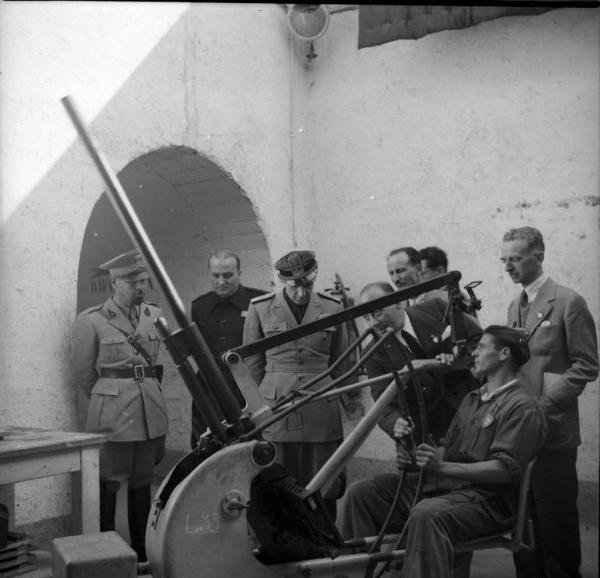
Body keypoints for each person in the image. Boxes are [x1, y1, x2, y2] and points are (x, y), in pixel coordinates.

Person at [339, 326, 548, 578]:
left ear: (504, 353)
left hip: (489, 503)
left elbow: (504, 469)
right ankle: (354, 574)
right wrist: (418, 455)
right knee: (363, 492)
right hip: (448, 490)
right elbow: (445, 449)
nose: (474, 353)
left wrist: (442, 468)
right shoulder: (472, 398)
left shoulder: (523, 406)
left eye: (481, 347)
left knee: (427, 514)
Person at [501, 226, 599, 578]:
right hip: (519, 432)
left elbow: (587, 365)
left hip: (553, 432)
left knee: (555, 521)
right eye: (504, 260)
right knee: (524, 523)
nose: (507, 267)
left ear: (538, 255)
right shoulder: (515, 305)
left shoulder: (568, 302)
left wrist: (541, 405)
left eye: (515, 259)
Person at [73, 250, 168, 562]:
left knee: (142, 479)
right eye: (132, 281)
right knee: (109, 480)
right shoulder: (93, 320)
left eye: (143, 281)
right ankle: (107, 552)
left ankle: (141, 552)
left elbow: (157, 363)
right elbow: (84, 374)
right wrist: (108, 399)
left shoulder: (153, 315)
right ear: (114, 282)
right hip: (113, 412)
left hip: (148, 408)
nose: (140, 287)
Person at [242, 250, 348, 515]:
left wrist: (343, 398)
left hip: (320, 400)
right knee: (277, 474)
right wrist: (255, 406)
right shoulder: (261, 308)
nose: (302, 292)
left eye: (308, 285)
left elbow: (342, 360)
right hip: (277, 404)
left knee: (324, 475)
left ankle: (325, 540)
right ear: (282, 280)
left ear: (315, 277)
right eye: (294, 286)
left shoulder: (333, 307)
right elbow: (252, 363)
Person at [358, 281, 481, 445]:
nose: (373, 323)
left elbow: (479, 340)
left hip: (471, 410)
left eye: (377, 313)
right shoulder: (373, 353)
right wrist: (395, 423)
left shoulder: (435, 308)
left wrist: (459, 358)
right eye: (367, 317)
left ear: (397, 302)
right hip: (430, 432)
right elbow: (384, 404)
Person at [190, 250, 267, 448]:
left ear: (240, 273)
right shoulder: (199, 307)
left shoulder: (258, 303)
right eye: (216, 276)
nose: (221, 281)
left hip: (247, 389)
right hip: (210, 392)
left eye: (228, 275)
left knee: (252, 445)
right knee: (206, 446)